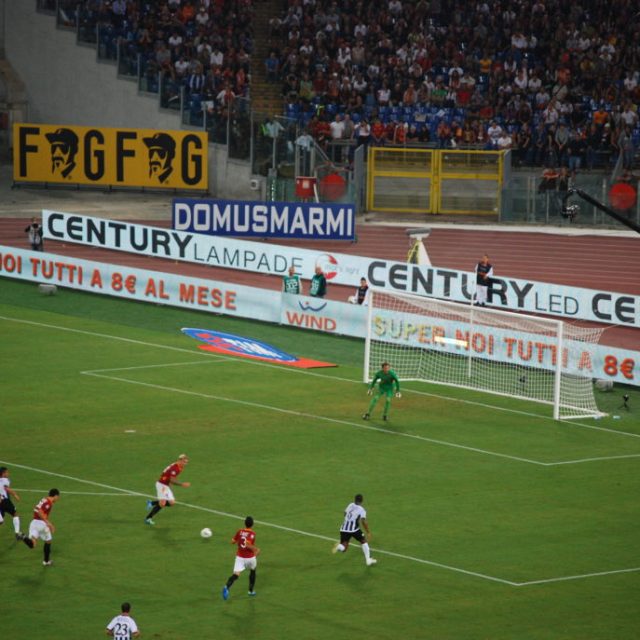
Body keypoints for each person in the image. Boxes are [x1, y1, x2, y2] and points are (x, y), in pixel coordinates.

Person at [331, 494, 376, 566]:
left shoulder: (350, 505)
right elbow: (363, 521)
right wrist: (368, 532)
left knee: (344, 548)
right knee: (363, 541)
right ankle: (368, 560)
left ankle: (339, 546)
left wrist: (349, 520)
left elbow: (345, 513)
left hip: (343, 529)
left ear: (354, 500)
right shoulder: (362, 510)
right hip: (354, 530)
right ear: (362, 501)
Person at [144, 454, 190, 525]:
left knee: (172, 503)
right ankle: (148, 518)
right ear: (179, 460)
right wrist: (182, 484)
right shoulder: (175, 468)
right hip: (161, 485)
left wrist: (170, 489)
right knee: (162, 503)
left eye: (186, 462)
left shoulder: (179, 467)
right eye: (184, 462)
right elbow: (172, 480)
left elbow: (171, 478)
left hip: (166, 485)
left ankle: (151, 503)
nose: (185, 464)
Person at [222, 516, 260, 600]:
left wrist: (238, 540)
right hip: (250, 558)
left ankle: (226, 587)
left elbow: (232, 541)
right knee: (253, 570)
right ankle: (250, 591)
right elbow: (248, 544)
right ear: (252, 524)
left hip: (239, 557)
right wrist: (255, 549)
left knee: (236, 574)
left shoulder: (239, 531)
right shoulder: (253, 534)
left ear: (244, 523)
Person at [21, 488, 60, 566]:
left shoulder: (44, 499)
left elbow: (36, 509)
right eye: (58, 497)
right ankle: (46, 561)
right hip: (41, 524)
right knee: (48, 540)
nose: (58, 498)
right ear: (55, 496)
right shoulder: (48, 503)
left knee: (33, 544)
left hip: (34, 523)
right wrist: (49, 523)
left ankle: (23, 537)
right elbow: (39, 512)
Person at [0, 466, 24, 540]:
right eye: (7, 472)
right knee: (15, 514)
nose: (8, 473)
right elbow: (7, 489)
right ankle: (17, 533)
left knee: (1, 521)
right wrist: (15, 495)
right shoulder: (5, 480)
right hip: (4, 501)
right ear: (3, 473)